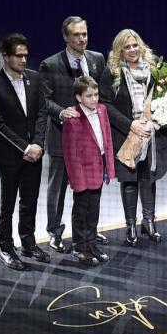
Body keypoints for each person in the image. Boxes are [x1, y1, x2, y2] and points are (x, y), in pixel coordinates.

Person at [38, 15, 109, 253]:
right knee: (58, 188)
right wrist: (62, 113)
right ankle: (55, 232)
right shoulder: (51, 64)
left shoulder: (97, 59)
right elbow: (43, 100)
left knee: (91, 187)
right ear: (66, 37)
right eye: (76, 35)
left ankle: (88, 231)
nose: (81, 39)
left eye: (84, 34)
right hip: (62, 139)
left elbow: (104, 95)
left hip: (91, 141)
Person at [100, 29, 167, 246]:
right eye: (126, 47)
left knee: (148, 179)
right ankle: (130, 225)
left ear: (141, 46)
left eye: (135, 45)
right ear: (120, 50)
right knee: (129, 180)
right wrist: (130, 124)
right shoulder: (112, 72)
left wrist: (155, 122)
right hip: (126, 134)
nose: (132, 50)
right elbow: (105, 105)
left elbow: (165, 98)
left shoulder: (154, 70)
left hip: (152, 133)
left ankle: (149, 221)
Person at [0, 33, 49, 271]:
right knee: (7, 203)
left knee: (30, 200)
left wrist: (39, 144)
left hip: (35, 153)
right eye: (18, 56)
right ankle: (6, 247)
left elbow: (42, 113)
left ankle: (28, 242)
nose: (23, 60)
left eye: (25, 56)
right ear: (6, 56)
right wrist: (25, 147)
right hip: (9, 157)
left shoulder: (34, 79)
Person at [62, 76, 115, 266]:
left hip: (97, 168)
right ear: (78, 97)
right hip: (82, 173)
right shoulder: (73, 119)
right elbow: (70, 154)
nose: (94, 99)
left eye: (96, 94)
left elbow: (107, 138)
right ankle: (79, 247)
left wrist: (109, 167)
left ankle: (92, 244)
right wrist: (78, 181)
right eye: (89, 96)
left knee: (94, 210)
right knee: (81, 211)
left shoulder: (102, 110)